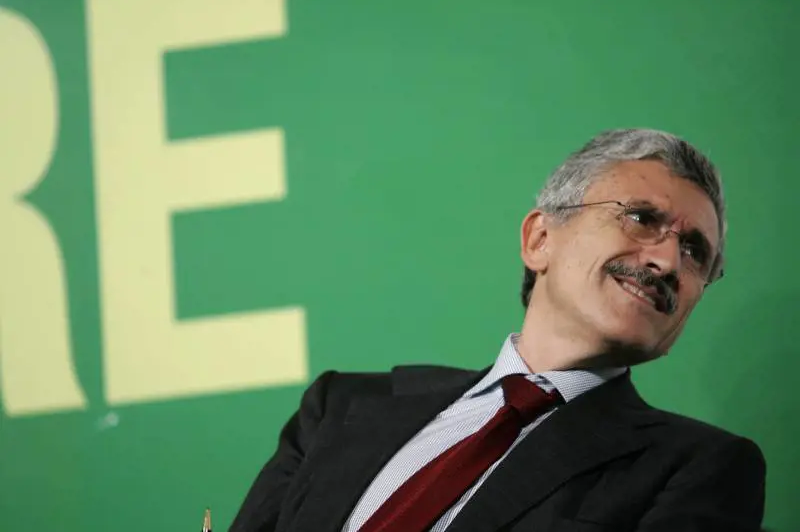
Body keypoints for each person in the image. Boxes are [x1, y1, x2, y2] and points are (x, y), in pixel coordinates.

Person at [230, 129, 766, 532]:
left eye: (695, 252)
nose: (668, 262)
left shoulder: (700, 468)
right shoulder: (340, 407)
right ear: (540, 240)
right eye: (642, 219)